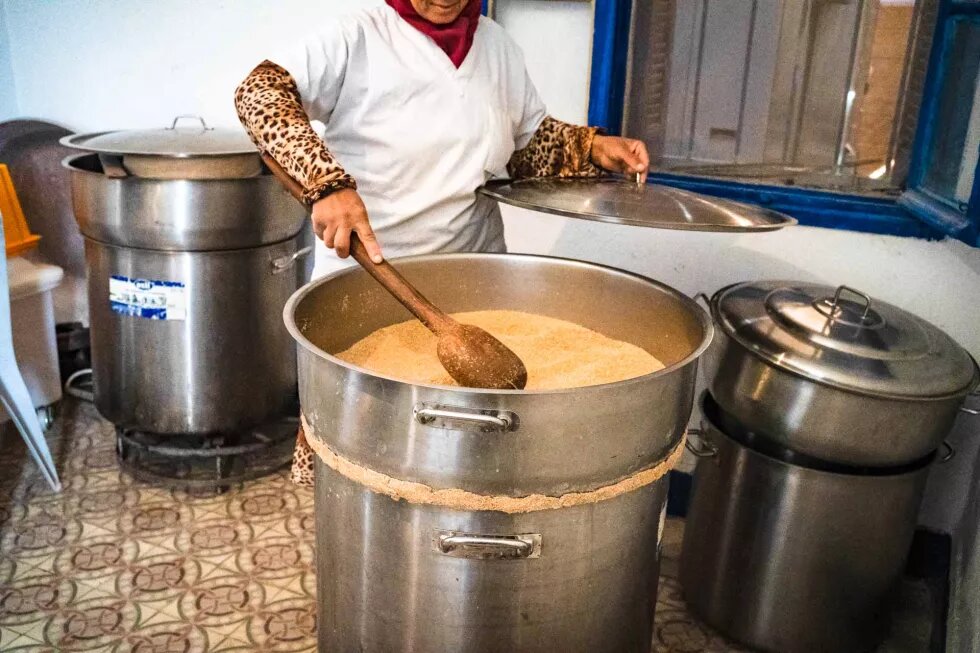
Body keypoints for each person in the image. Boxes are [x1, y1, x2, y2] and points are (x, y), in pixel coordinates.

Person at [235, 0, 649, 487]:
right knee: (369, 461)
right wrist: (326, 183)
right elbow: (259, 93)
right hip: (374, 280)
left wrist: (592, 147)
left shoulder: (496, 45)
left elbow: (524, 144)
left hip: (477, 282)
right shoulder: (359, 35)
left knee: (478, 454)